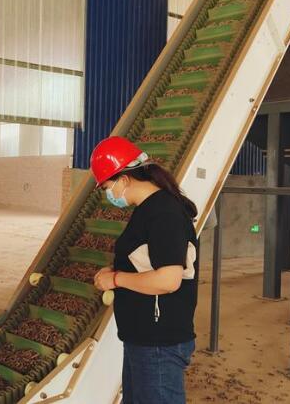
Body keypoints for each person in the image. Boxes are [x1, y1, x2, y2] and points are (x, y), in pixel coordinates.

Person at [90, 136, 199, 404]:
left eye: (108, 187)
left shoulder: (165, 213)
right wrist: (117, 268)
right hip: (143, 338)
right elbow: (148, 257)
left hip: (159, 342)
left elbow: (168, 280)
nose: (109, 195)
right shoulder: (148, 209)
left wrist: (116, 279)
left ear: (124, 179)